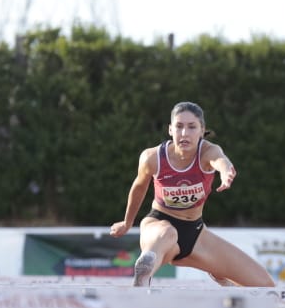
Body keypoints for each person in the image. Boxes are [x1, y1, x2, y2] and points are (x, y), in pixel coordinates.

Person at [108, 101, 273, 288]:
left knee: (265, 285)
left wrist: (226, 171)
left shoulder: (208, 151)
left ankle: (217, 272)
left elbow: (220, 160)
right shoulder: (152, 158)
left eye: (191, 127)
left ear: (202, 130)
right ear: (170, 130)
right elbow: (139, 187)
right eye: (179, 127)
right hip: (157, 226)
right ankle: (144, 275)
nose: (184, 133)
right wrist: (127, 222)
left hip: (195, 234)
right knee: (167, 233)